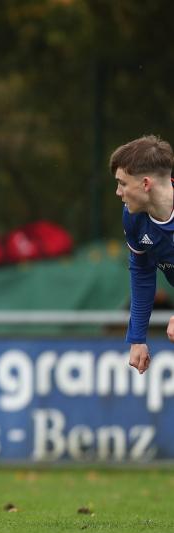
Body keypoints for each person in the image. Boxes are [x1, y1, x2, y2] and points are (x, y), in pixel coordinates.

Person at [111, 135, 174, 375]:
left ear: (146, 184)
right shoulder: (133, 217)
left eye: (122, 183)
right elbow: (142, 272)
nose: (118, 192)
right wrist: (137, 338)